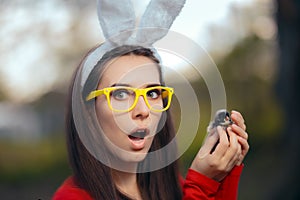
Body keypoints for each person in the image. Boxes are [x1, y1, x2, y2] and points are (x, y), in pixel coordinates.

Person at [52, 45, 249, 200]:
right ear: (87, 111)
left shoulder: (172, 188)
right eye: (121, 94)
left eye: (152, 93)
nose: (143, 111)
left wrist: (222, 177)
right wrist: (202, 185)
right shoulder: (71, 198)